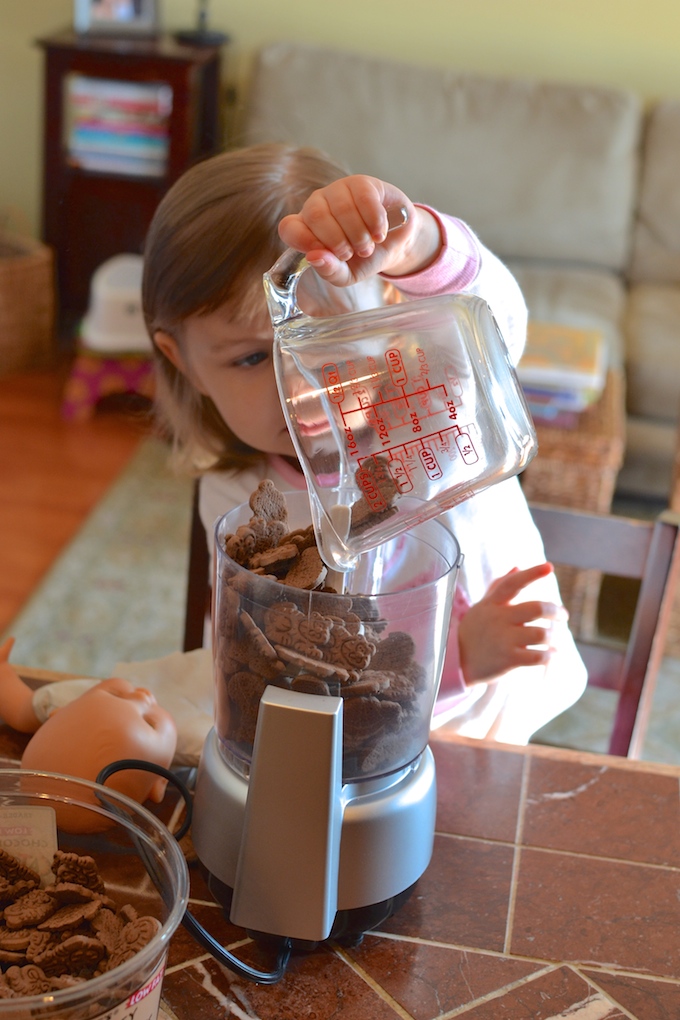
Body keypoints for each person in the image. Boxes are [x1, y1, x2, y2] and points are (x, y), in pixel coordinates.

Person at [142, 142, 587, 745]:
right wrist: (454, 656)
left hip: (488, 721)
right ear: (184, 363)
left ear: (389, 307)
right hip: (355, 743)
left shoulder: (430, 403)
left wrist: (419, 246)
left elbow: (492, 323)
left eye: (333, 340)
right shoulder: (239, 500)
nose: (301, 387)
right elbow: (288, 674)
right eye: (251, 358)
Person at [0, 637, 177, 817]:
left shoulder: (59, 699)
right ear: (160, 783)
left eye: (117, 695)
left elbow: (20, 708)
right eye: (150, 722)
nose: (142, 696)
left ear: (55, 715)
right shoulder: (194, 736)